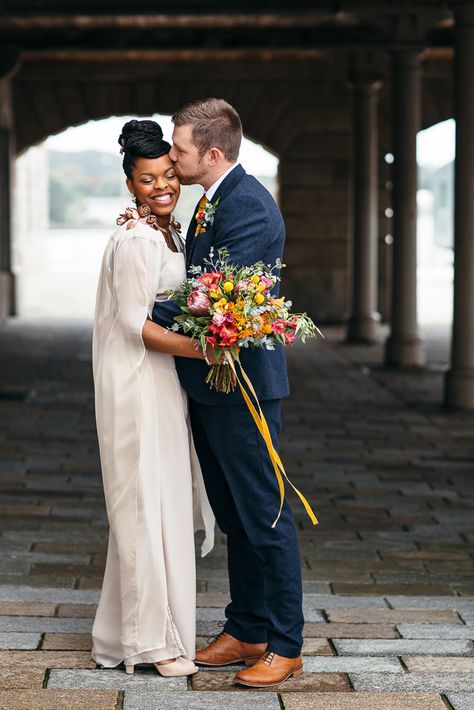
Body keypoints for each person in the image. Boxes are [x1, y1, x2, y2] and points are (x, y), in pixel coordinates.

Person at [152, 98, 304, 688]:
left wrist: (139, 307)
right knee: (235, 514)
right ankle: (247, 627)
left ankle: (285, 643)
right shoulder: (211, 201)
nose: (172, 155)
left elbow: (210, 301)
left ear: (212, 154)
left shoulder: (249, 207)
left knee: (265, 514)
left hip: (242, 386)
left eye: (180, 149)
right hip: (212, 386)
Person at [91, 119, 214, 678]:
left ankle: (128, 633)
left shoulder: (165, 230)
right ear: (130, 185)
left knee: (158, 503)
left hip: (160, 381)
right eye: (148, 181)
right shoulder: (139, 237)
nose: (163, 186)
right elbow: (134, 324)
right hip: (139, 381)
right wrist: (206, 350)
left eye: (169, 175)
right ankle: (152, 644)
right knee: (144, 506)